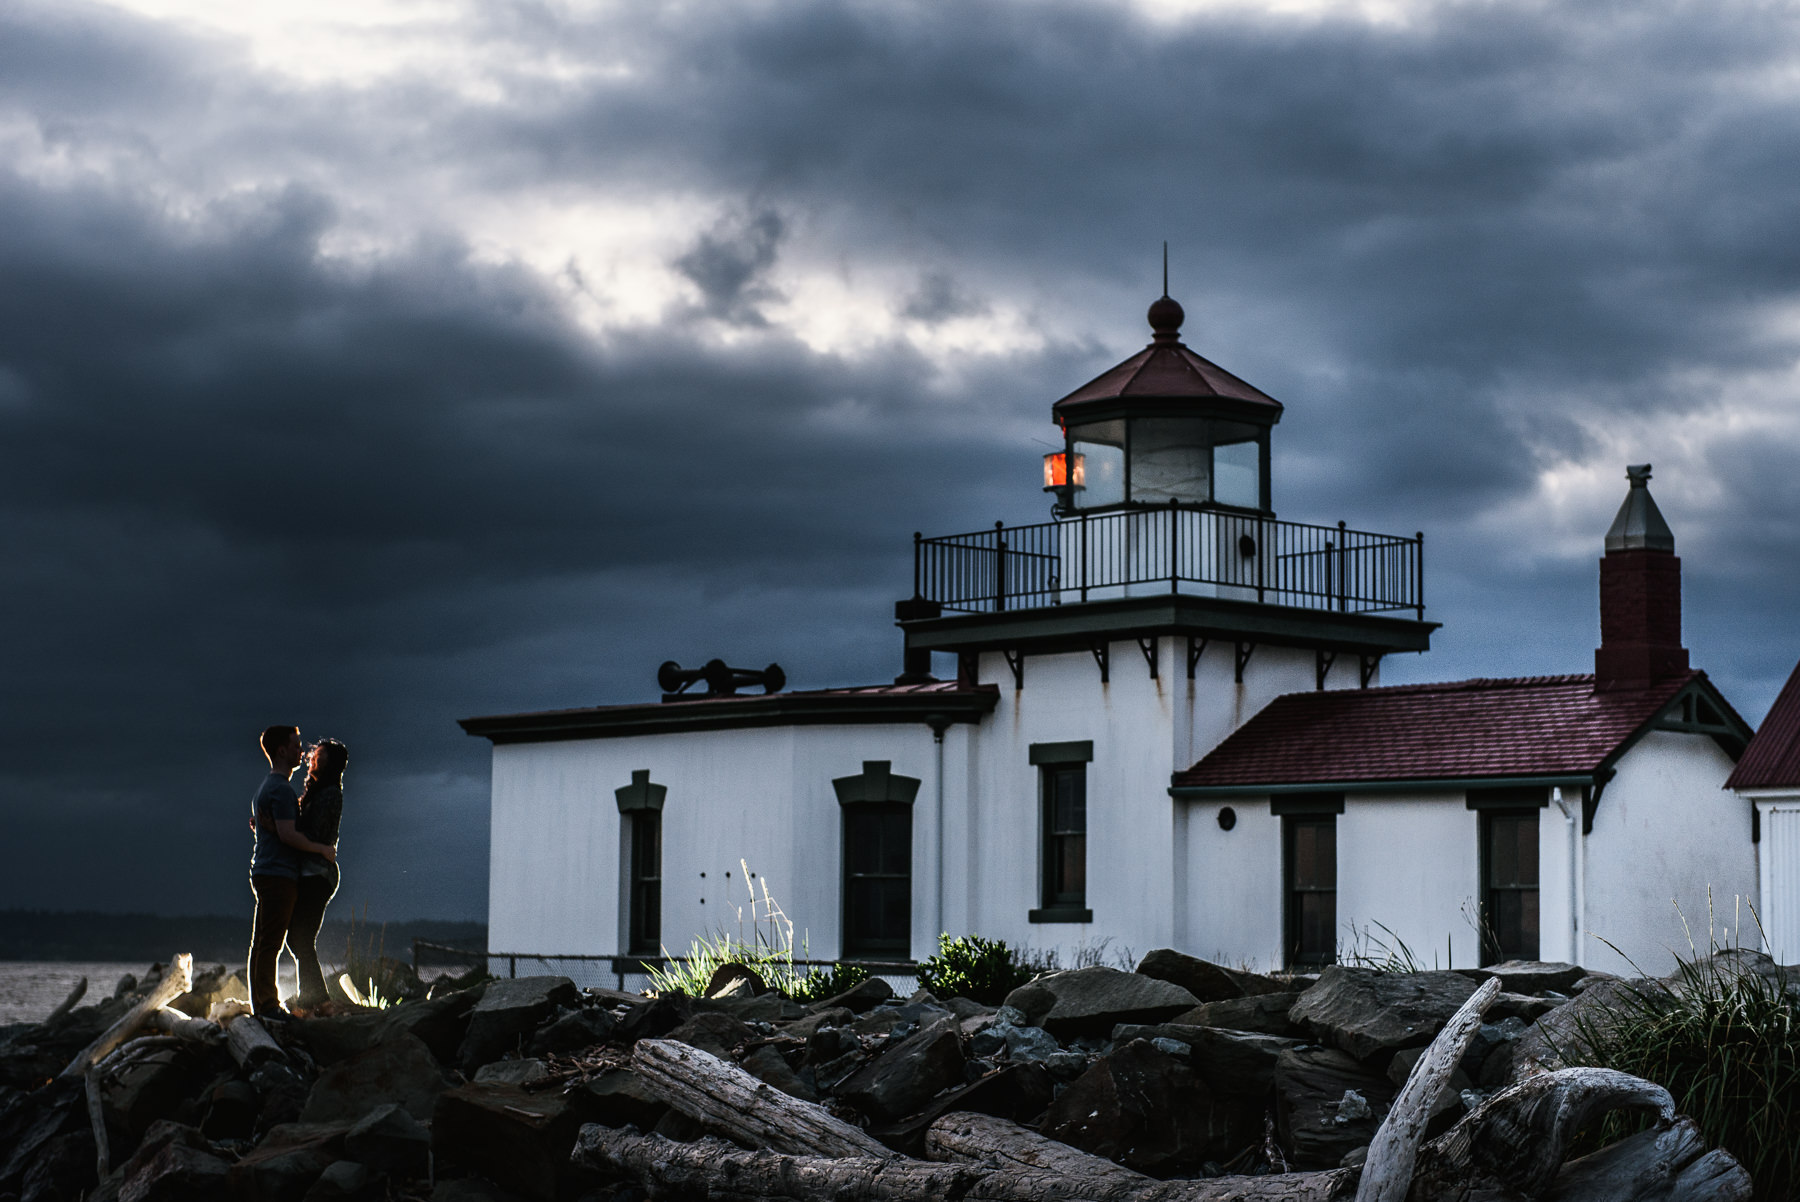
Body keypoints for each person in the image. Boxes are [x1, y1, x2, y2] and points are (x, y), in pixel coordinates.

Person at [247, 725, 336, 1017]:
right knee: (270, 942)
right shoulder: (281, 789)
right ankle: (269, 1005)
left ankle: (261, 1003)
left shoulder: (270, 787)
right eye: (297, 745)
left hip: (267, 870)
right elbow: (289, 835)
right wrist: (322, 849)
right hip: (278, 874)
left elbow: (281, 830)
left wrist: (266, 827)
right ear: (282, 751)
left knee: (262, 941)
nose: (303, 751)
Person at [289, 739, 348, 1011]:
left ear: (331, 763)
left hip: (318, 874)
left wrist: (283, 829)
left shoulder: (330, 794)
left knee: (301, 936)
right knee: (298, 937)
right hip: (310, 872)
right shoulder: (317, 792)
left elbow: (315, 834)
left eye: (320, 755)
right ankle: (313, 995)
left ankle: (315, 997)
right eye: (314, 753)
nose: (312, 756)